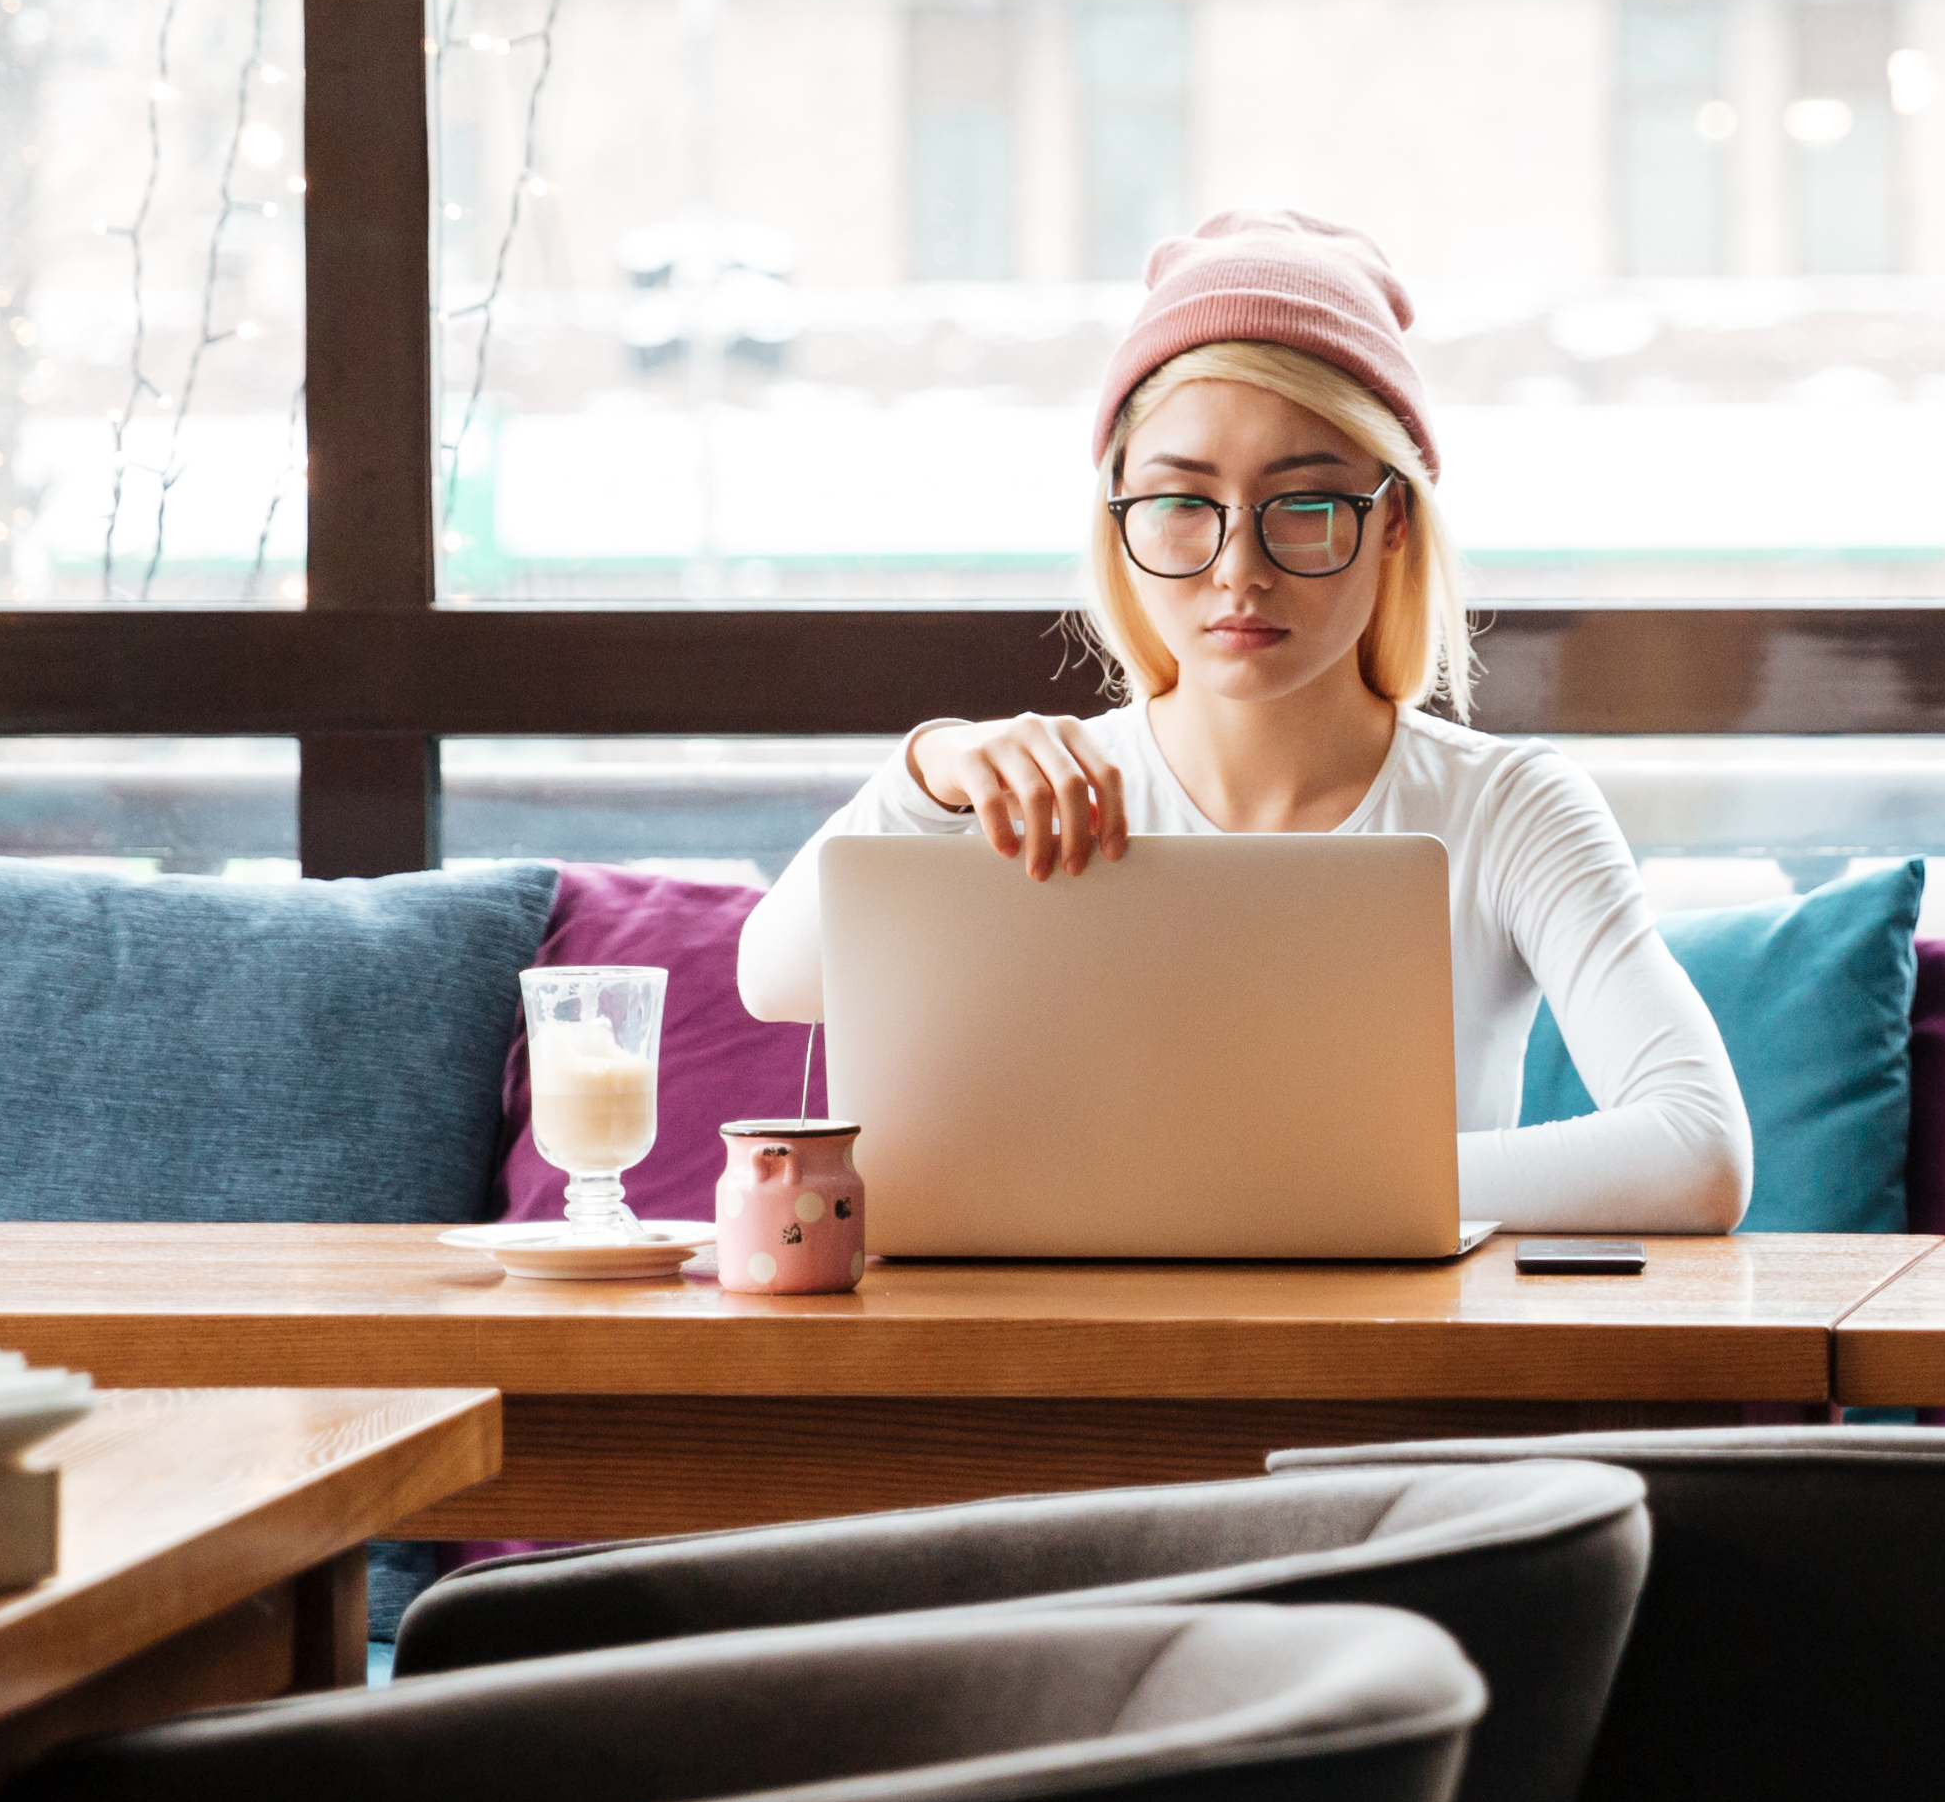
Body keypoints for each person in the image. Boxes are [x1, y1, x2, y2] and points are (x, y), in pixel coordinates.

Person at [738, 210, 1756, 1234]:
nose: (1238, 570)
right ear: (1120, 518)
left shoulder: (1502, 807)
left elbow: (1697, 1149)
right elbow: (775, 978)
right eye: (1183, 501)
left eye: (1305, 505)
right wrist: (926, 770)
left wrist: (1247, 1186)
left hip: (1403, 1372)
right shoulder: (1041, 793)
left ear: (1393, 520)